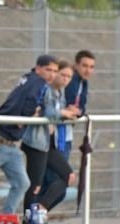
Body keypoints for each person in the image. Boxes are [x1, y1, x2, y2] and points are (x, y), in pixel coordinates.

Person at [0, 54, 58, 215]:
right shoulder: (39, 82)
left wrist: (33, 114)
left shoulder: (28, 78)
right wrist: (27, 117)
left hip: (11, 144)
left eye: (55, 71)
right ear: (38, 68)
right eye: (48, 69)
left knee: (22, 183)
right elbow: (31, 103)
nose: (52, 74)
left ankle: (5, 222)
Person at [21, 59, 78, 213]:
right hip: (36, 142)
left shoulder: (59, 92)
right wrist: (63, 113)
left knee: (69, 176)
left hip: (48, 143)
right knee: (35, 185)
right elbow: (50, 113)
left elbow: (55, 112)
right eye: (62, 74)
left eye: (69, 76)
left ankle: (40, 211)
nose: (65, 79)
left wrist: (68, 111)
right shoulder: (45, 88)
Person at [55, 50, 95, 161]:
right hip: (56, 132)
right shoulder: (70, 80)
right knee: (60, 173)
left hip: (66, 131)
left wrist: (78, 111)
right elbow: (63, 103)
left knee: (63, 172)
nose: (88, 70)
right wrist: (69, 110)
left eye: (91, 67)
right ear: (76, 65)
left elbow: (81, 106)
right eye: (85, 66)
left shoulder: (84, 82)